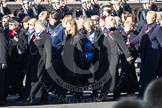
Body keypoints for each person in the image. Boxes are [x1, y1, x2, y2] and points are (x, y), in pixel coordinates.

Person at [127, 11, 162, 97]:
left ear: (153, 18)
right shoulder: (145, 27)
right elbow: (139, 37)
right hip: (144, 53)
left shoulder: (157, 28)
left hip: (153, 55)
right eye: (146, 16)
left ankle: (151, 94)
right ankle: (143, 92)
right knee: (143, 73)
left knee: (150, 74)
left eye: (148, 17)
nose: (146, 18)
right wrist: (130, 43)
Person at [104, 16, 133, 99]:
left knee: (112, 75)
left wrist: (128, 56)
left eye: (110, 22)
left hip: (114, 56)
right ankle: (117, 94)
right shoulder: (106, 32)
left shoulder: (115, 32)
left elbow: (123, 45)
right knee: (114, 75)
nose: (108, 23)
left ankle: (105, 93)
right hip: (108, 56)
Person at [28, 20, 52, 105]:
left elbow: (48, 51)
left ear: (40, 27)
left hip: (42, 61)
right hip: (35, 60)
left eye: (36, 26)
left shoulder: (46, 37)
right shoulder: (35, 36)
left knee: (39, 78)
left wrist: (48, 64)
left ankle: (35, 97)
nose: (34, 28)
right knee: (39, 79)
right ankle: (43, 98)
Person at [0, 17, 9, 106]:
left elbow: (3, 48)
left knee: (1, 82)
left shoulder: (1, 34)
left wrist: (3, 61)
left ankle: (2, 99)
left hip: (0, 61)